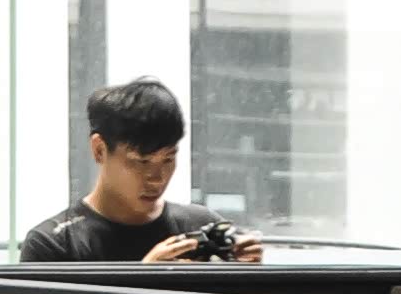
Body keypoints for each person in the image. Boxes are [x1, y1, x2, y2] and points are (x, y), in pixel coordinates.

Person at [17, 77, 266, 263]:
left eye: (168, 159)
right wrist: (146, 278)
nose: (157, 178)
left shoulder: (201, 225)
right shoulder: (53, 245)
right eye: (141, 161)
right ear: (99, 150)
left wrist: (249, 280)